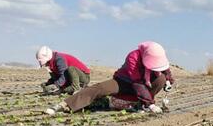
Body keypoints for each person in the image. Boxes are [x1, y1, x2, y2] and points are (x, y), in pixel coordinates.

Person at [44, 41, 174, 115]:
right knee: (99, 88)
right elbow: (137, 83)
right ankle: (64, 105)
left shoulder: (159, 57)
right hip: (125, 81)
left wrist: (168, 81)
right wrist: (151, 105)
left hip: (143, 86)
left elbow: (165, 70)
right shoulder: (133, 57)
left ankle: (141, 104)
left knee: (161, 79)